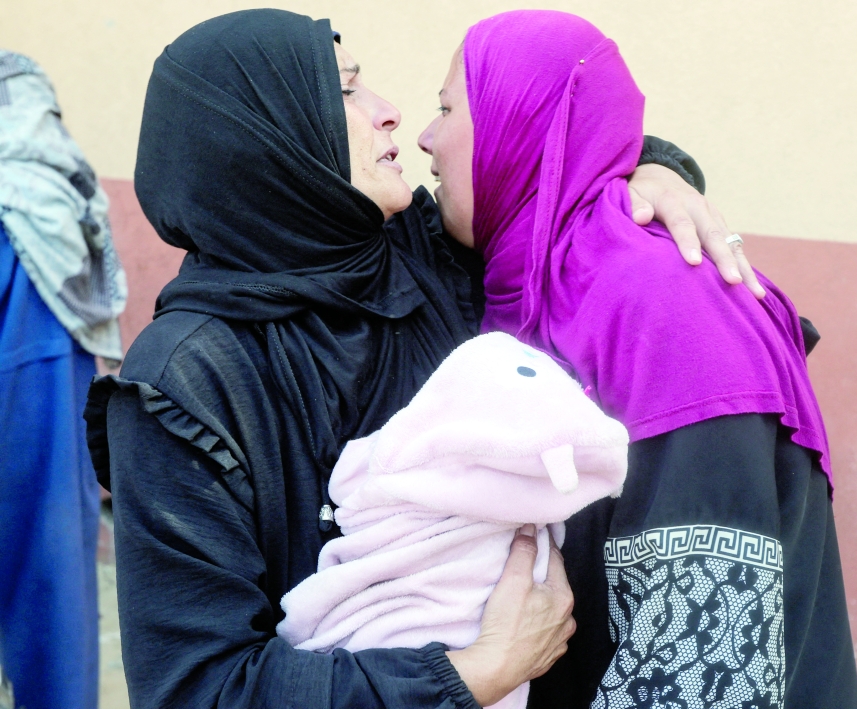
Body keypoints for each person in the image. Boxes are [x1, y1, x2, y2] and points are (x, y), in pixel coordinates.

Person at [82, 10, 752, 709]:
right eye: (346, 91)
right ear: (267, 135)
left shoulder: (428, 258)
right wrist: (470, 674)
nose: (390, 113)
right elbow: (199, 688)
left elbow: (549, 165)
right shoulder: (186, 382)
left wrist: (655, 172)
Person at [417, 10, 857, 709]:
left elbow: (701, 661)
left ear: (517, 124)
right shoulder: (535, 284)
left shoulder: (665, 307)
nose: (425, 137)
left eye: (446, 108)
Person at [0, 51, 127, 709]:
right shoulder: (53, 216)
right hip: (40, 402)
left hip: (41, 384)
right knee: (50, 569)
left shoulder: (30, 221)